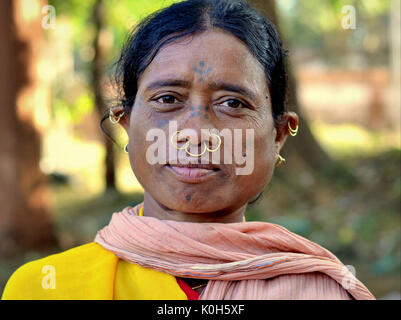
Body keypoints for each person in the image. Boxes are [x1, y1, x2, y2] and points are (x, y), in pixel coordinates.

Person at [2, 0, 375, 300]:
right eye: (167, 99)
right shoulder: (45, 288)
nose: (196, 133)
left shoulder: (323, 291)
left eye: (232, 103)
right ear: (125, 121)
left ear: (279, 133)